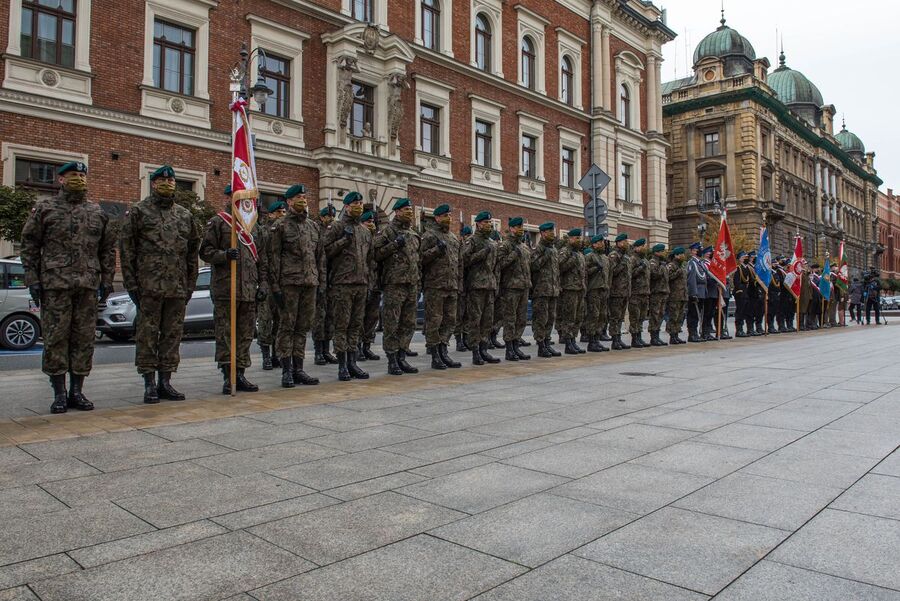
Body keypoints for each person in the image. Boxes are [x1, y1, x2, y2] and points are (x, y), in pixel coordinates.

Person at [20, 161, 116, 414]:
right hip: (55, 285)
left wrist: (107, 279)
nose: (79, 179)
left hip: (87, 285)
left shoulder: (97, 212)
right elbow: (29, 245)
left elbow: (106, 249)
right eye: (73, 175)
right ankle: (59, 393)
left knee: (84, 339)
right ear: (61, 179)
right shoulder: (45, 209)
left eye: (82, 175)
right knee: (55, 338)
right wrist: (33, 279)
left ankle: (77, 390)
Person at [120, 165, 201, 404]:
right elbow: (127, 251)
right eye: (162, 181)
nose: (167, 184)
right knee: (147, 335)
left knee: (172, 335)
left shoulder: (185, 215)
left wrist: (189, 285)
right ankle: (149, 383)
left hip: (176, 287)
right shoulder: (139, 212)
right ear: (153, 184)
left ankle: (166, 381)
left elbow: (192, 253)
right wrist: (132, 284)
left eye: (171, 181)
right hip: (148, 286)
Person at [199, 184, 268, 394]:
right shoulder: (219, 222)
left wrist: (263, 283)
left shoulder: (253, 226)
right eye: (239, 197)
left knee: (245, 335)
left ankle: (240, 373)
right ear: (230, 198)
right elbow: (205, 251)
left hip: (248, 290)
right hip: (226, 290)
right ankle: (228, 376)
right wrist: (224, 255)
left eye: (248, 198)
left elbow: (262, 260)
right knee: (226, 335)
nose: (245, 202)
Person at [270, 184, 324, 387]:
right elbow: (273, 258)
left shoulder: (313, 226)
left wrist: (320, 283)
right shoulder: (280, 226)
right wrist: (275, 288)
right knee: (287, 327)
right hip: (289, 284)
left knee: (302, 328)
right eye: (298, 197)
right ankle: (286, 371)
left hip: (310, 283)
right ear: (289, 201)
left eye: (304, 196)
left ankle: (299, 368)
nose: (303, 199)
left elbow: (320, 258)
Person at [322, 191, 374, 381]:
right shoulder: (337, 227)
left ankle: (353, 362)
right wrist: (343, 240)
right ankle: (342, 364)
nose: (359, 206)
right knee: (342, 326)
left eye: (361, 203)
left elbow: (370, 260)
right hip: (342, 285)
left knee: (356, 326)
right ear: (346, 206)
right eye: (355, 203)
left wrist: (369, 283)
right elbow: (324, 252)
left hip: (361, 284)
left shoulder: (365, 231)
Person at [375, 198, 421, 375]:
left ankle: (402, 356)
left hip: (411, 283)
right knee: (392, 322)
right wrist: (394, 245)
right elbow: (376, 254)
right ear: (397, 212)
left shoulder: (413, 232)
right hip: (394, 284)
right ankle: (392, 359)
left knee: (408, 323)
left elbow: (418, 260)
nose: (409, 212)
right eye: (406, 209)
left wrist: (419, 281)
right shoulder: (388, 231)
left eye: (410, 209)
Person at [420, 204, 462, 369]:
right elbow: (420, 258)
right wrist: (436, 250)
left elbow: (459, 263)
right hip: (435, 286)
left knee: (450, 320)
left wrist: (459, 283)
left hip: (451, 285)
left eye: (450, 215)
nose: (448, 218)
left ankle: (444, 351)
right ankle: (435, 354)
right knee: (435, 321)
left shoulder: (453, 238)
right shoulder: (430, 236)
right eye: (445, 216)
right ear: (437, 218)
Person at [463, 211, 500, 365]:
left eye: (490, 223)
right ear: (478, 224)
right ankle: (475, 351)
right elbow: (464, 261)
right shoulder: (472, 241)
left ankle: (484, 349)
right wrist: (481, 254)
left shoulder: (492, 243)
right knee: (475, 319)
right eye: (485, 222)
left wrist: (496, 283)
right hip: (476, 286)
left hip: (489, 286)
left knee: (487, 320)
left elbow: (496, 267)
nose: (488, 225)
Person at [496, 217, 532, 361]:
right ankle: (509, 349)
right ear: (511, 228)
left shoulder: (524, 247)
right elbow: (499, 265)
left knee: (521, 319)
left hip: (523, 287)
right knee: (510, 319)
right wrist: (513, 255)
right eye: (517, 227)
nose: (520, 229)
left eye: (521, 227)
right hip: (510, 288)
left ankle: (516, 345)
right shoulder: (505, 246)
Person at [256, 199, 285, 370]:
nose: (283, 215)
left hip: (282, 282)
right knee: (265, 321)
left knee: (280, 321)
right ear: (271, 215)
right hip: (267, 282)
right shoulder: (264, 232)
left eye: (284, 212)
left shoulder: (285, 231)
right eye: (279, 212)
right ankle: (266, 356)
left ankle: (277, 355)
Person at [530, 222, 561, 358]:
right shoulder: (539, 249)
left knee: (550, 318)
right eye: (549, 232)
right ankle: (541, 345)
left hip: (553, 290)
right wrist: (545, 256)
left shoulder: (553, 249)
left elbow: (557, 271)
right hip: (541, 290)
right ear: (542, 233)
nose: (552, 234)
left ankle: (547, 343)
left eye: (552, 231)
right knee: (541, 319)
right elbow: (534, 266)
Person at [314, 205, 338, 365]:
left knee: (330, 317)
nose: (331, 219)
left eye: (333, 216)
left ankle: (326, 350)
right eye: (328, 216)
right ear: (322, 218)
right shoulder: (317, 231)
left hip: (333, 279)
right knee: (319, 317)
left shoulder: (335, 232)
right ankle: (318, 352)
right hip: (318, 280)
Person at [558, 228, 587, 354]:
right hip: (569, 288)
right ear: (569, 239)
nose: (578, 240)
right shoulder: (565, 252)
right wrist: (571, 260)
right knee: (569, 317)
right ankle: (568, 342)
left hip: (579, 288)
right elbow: (559, 268)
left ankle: (573, 340)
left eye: (579, 238)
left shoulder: (580, 254)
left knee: (578, 317)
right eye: (576, 238)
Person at [359, 210, 382, 361]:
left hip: (375, 283)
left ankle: (367, 346)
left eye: (373, 222)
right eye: (368, 222)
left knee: (372, 317)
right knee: (359, 317)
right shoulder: (360, 238)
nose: (371, 224)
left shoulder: (376, 239)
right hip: (362, 282)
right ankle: (357, 347)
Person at [584, 235, 611, 352]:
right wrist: (595, 268)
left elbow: (609, 274)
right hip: (593, 289)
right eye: (599, 242)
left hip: (603, 289)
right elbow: (585, 273)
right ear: (594, 244)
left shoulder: (605, 258)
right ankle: (591, 341)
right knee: (593, 315)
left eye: (602, 242)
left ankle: (597, 338)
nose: (602, 244)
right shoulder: (589, 257)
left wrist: (608, 286)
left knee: (602, 315)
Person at [628, 238, 650, 348]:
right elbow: (630, 274)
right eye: (641, 246)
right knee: (634, 317)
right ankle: (634, 338)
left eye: (644, 246)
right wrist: (640, 268)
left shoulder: (645, 260)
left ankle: (639, 336)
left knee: (641, 317)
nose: (643, 248)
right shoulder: (632, 259)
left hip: (644, 292)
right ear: (636, 248)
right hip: (635, 293)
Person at [454, 225, 473, 351]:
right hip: (460, 284)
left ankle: (466, 338)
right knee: (459, 314)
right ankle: (459, 340)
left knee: (467, 314)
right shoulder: (460, 246)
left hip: (469, 284)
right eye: (467, 236)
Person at [647, 243, 669, 346]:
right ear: (656, 252)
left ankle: (657, 335)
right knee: (655, 315)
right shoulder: (653, 262)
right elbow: (655, 275)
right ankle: (653, 337)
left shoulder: (661, 263)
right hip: (656, 292)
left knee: (660, 315)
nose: (663, 253)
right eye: (661, 251)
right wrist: (661, 266)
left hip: (663, 292)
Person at [666, 247, 688, 344]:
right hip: (674, 295)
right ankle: (672, 336)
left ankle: (676, 334)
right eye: (680, 254)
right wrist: (677, 272)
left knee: (680, 316)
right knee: (673, 316)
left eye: (683, 254)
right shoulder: (671, 265)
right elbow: (668, 278)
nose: (682, 256)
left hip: (682, 295)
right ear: (676, 255)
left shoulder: (682, 266)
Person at [686, 241, 707, 343]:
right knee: (693, 314)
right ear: (693, 251)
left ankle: (697, 333)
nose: (700, 251)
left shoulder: (700, 263)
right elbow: (691, 279)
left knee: (699, 314)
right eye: (699, 249)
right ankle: (692, 334)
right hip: (696, 292)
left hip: (702, 292)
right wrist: (693, 293)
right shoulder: (692, 263)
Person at [733, 251, 752, 337]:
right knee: (740, 312)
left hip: (746, 293)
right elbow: (737, 282)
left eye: (746, 257)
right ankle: (739, 330)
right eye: (744, 257)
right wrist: (740, 291)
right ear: (740, 259)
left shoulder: (747, 268)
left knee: (746, 311)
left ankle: (746, 329)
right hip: (740, 293)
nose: (746, 258)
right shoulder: (738, 268)